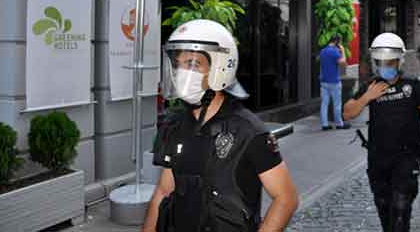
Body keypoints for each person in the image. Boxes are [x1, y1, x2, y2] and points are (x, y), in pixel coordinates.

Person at [143, 20, 298, 232]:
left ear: (220, 68)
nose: (181, 72)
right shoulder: (175, 125)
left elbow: (286, 199)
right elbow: (163, 191)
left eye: (193, 64)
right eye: (178, 64)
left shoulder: (249, 131)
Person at [343, 32, 420, 232]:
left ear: (398, 61)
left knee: (401, 211)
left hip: (407, 157)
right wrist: (367, 97)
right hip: (378, 158)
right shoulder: (371, 86)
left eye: (390, 62)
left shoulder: (413, 86)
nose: (386, 67)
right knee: (384, 209)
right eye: (381, 62)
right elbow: (347, 114)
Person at [319, 35, 350, 131]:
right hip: (334, 82)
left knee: (324, 104)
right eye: (339, 42)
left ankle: (324, 124)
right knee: (337, 104)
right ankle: (339, 124)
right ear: (337, 42)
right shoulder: (334, 51)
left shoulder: (323, 51)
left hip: (324, 82)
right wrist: (343, 50)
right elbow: (343, 63)